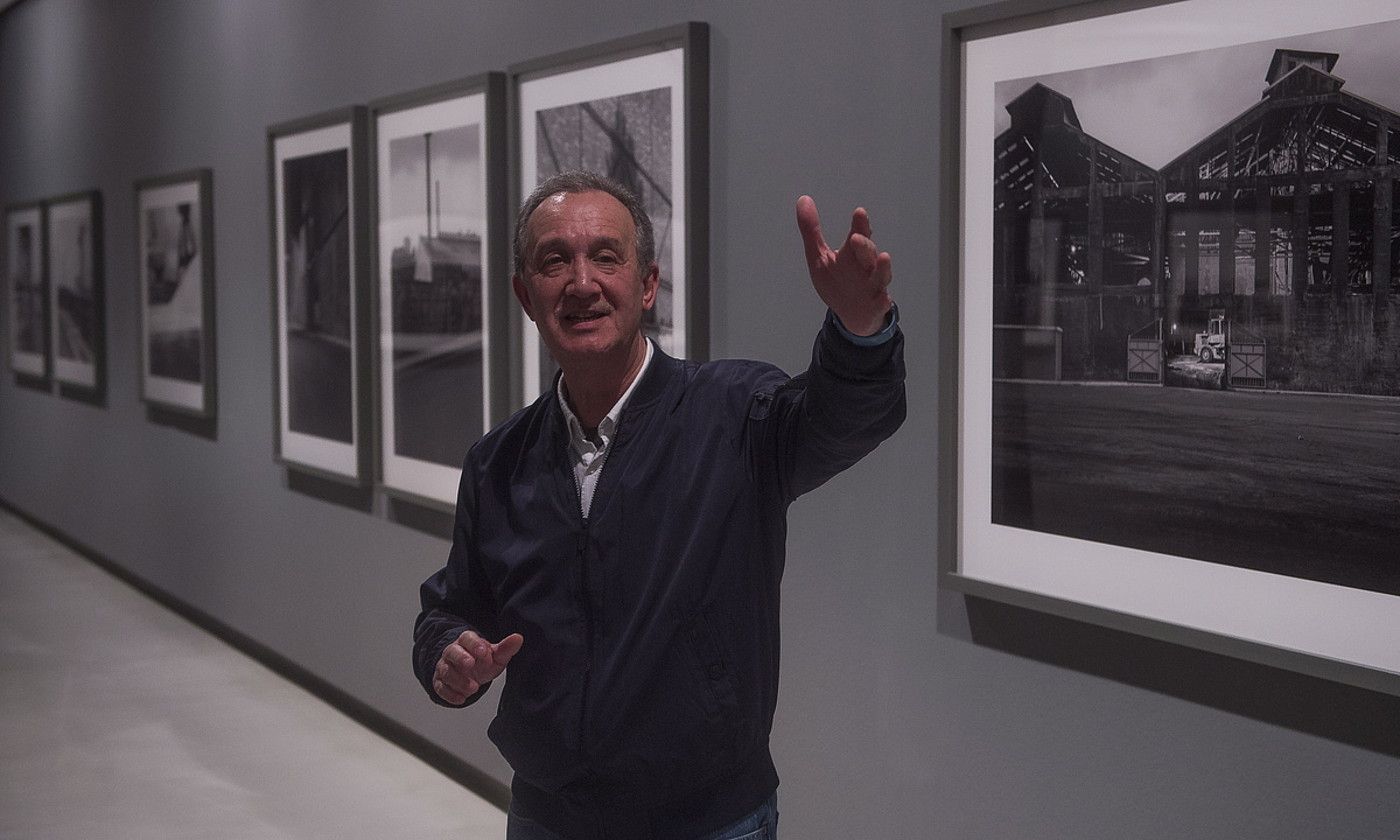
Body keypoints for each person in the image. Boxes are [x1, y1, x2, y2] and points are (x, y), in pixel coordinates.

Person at [413, 170, 905, 840]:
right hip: (548, 818)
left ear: (646, 284)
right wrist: (447, 653)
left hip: (710, 821)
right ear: (526, 295)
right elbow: (451, 607)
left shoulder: (734, 414)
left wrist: (860, 330)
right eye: (554, 261)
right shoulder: (497, 463)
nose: (581, 283)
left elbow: (844, 416)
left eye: (605, 257)